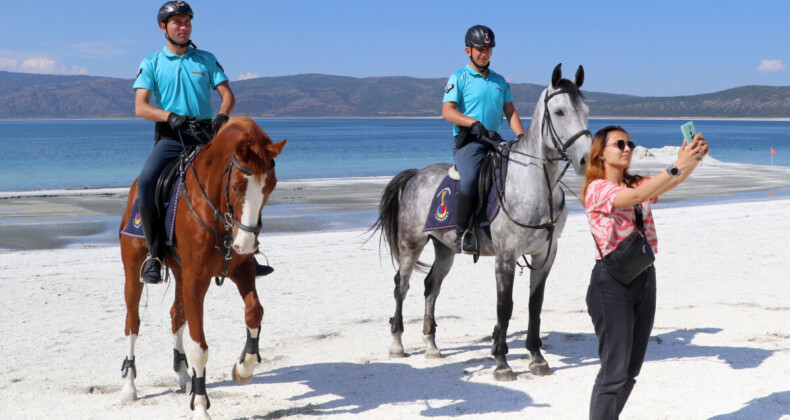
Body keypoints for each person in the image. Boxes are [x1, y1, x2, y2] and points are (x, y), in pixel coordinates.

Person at [134, 1, 271, 283]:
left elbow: (228, 95)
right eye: (177, 23)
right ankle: (154, 254)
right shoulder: (151, 63)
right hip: (174, 137)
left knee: (243, 179)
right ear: (164, 27)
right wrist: (168, 116)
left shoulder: (206, 59)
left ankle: (249, 253)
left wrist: (222, 115)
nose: (183, 27)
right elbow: (141, 107)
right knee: (147, 181)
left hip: (209, 136)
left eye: (187, 22)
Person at [582, 126, 709, 419]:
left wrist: (691, 158)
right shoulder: (596, 189)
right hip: (611, 284)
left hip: (643, 277)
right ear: (600, 153)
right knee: (614, 372)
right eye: (620, 144)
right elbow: (637, 195)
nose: (627, 148)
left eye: (630, 143)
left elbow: (665, 184)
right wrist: (678, 165)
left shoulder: (635, 183)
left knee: (630, 371)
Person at [441, 24, 525, 254]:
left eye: (488, 49)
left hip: (493, 139)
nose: (484, 53)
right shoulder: (459, 78)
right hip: (468, 140)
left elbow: (510, 112)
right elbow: (447, 111)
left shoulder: (500, 81)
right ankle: (462, 233)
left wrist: (521, 137)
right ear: (468, 50)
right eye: (479, 49)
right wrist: (471, 122)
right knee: (469, 180)